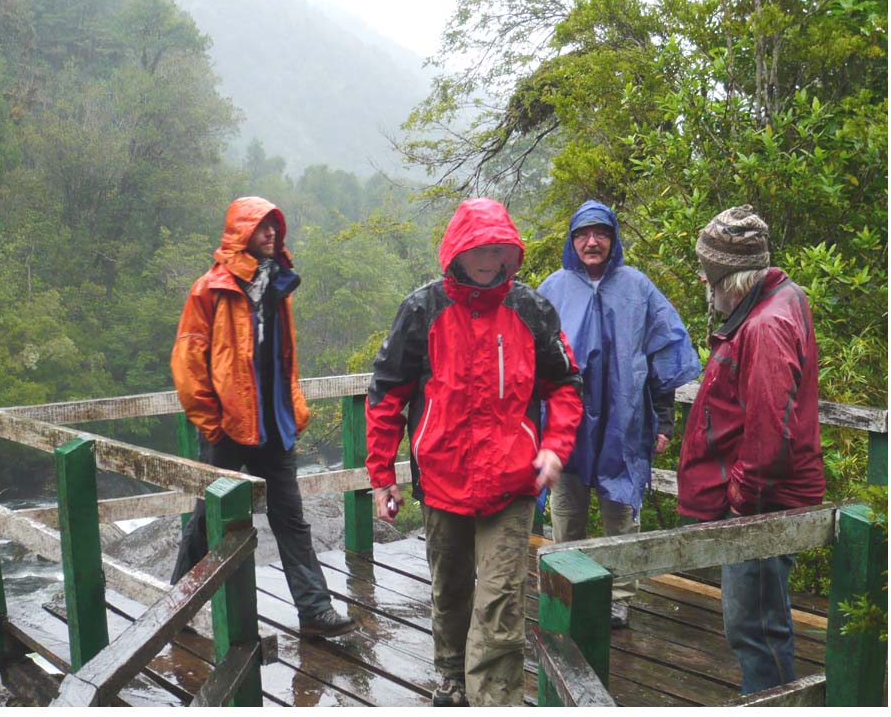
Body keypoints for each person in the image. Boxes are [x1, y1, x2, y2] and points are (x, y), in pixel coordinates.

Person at [364, 197, 584, 707]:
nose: (490, 258)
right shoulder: (423, 310)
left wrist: (554, 448)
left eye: (500, 249)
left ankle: (494, 700)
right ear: (457, 252)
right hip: (442, 478)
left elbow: (565, 384)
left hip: (512, 482)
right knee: (451, 588)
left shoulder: (530, 309)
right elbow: (387, 393)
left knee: (502, 597)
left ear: (512, 253)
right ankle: (451, 674)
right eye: (479, 248)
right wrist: (382, 475)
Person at [170, 196, 356, 639]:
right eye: (262, 227)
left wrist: (294, 410)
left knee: (290, 518)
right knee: (204, 522)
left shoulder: (278, 284)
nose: (272, 234)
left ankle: (315, 611)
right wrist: (211, 422)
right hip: (227, 430)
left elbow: (284, 358)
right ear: (240, 233)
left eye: (275, 226)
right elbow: (187, 360)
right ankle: (175, 608)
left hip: (274, 426)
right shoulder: (209, 289)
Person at [678, 204, 825, 695]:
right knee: (763, 622)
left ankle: (771, 704)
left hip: (761, 507)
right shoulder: (786, 297)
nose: (702, 278)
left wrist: (739, 499)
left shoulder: (764, 326)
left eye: (709, 271)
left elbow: (768, 435)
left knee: (754, 627)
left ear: (730, 276)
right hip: (765, 502)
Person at [537, 200, 701, 628]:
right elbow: (531, 360)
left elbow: (662, 356)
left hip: (623, 423)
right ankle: (565, 590)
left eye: (601, 233)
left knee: (621, 515)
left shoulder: (637, 288)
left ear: (613, 239)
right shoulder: (553, 289)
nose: (592, 242)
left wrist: (662, 421)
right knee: (566, 512)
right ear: (572, 241)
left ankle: (619, 598)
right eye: (583, 234)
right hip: (568, 427)